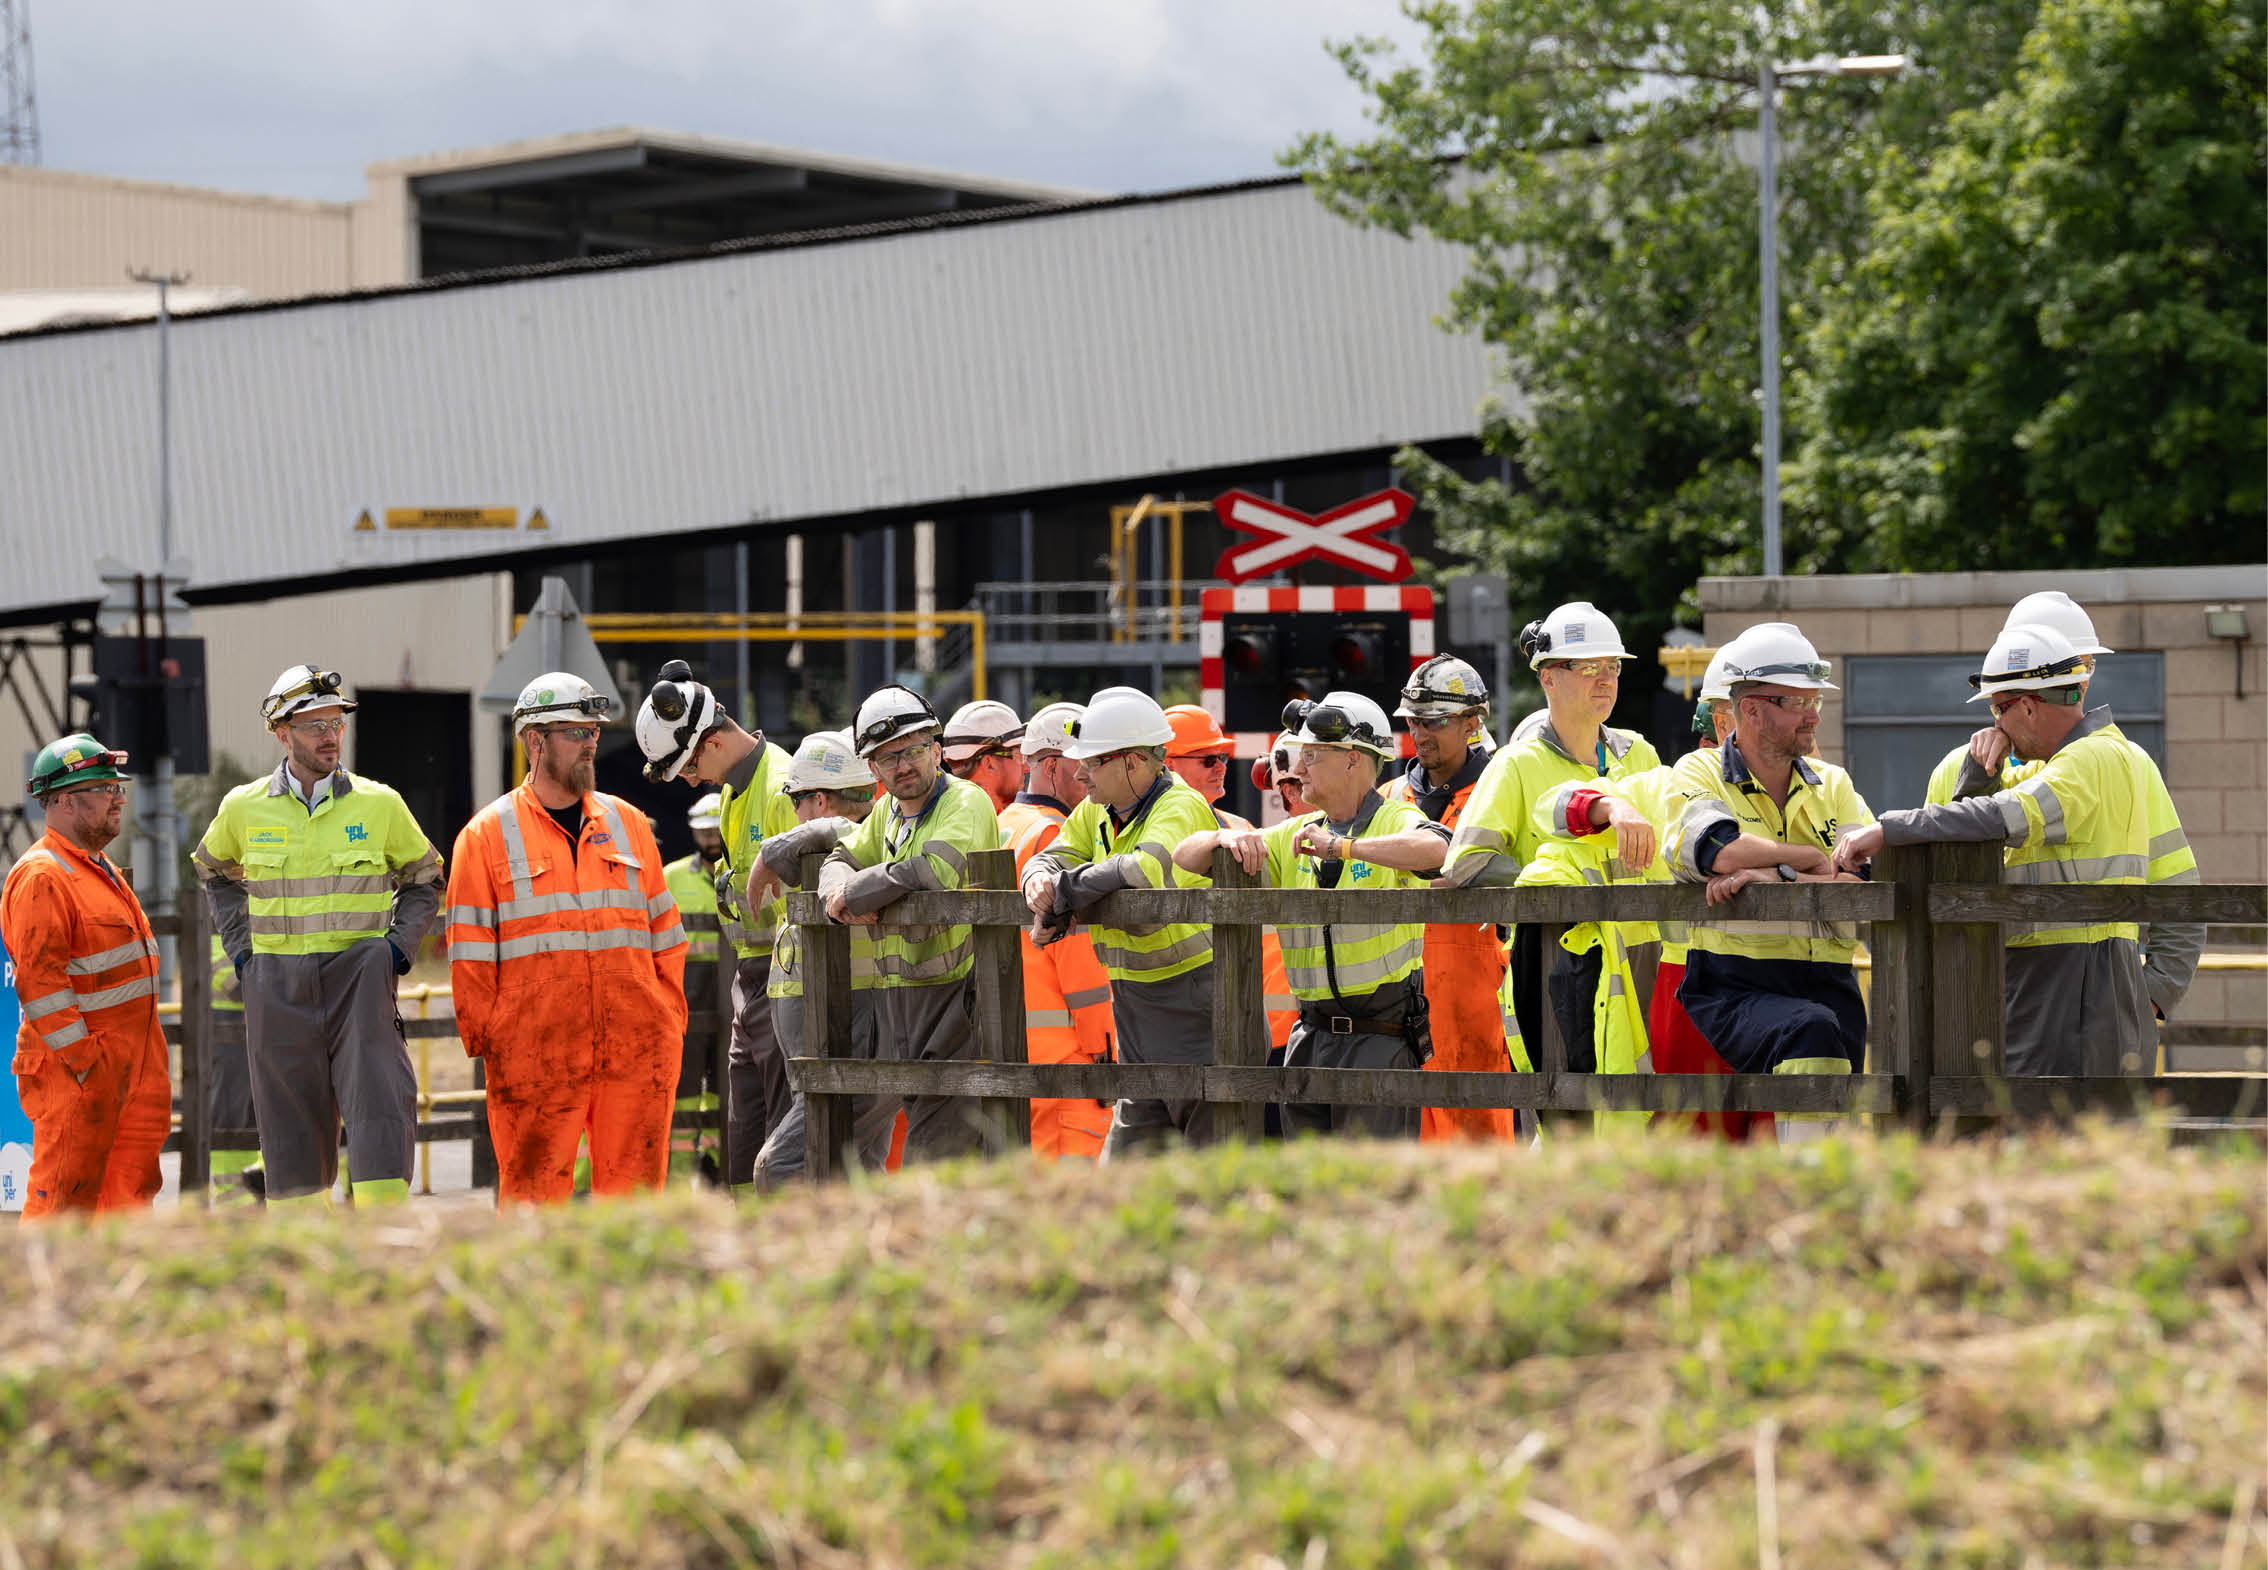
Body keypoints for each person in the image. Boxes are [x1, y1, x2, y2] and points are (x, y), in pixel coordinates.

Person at [1836, 622, 2159, 1078]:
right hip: (2070, 972)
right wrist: (1979, 767)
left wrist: (1888, 829)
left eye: (1998, 709)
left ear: (2027, 705)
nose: (1995, 724)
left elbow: (1996, 817)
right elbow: (1970, 821)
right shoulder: (2084, 757)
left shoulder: (2091, 758)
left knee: (2048, 1125)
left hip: (2074, 975)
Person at [194, 665, 444, 1206]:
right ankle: (308, 1268)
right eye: (315, 725)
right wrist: (244, 954)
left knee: (381, 1119)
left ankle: (388, 1256)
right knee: (290, 1148)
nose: (330, 735)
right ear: (282, 734)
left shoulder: (380, 805)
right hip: (277, 990)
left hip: (359, 983)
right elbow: (213, 872)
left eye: (336, 722)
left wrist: (395, 950)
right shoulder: (242, 807)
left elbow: (425, 877)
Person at [1921, 590, 2200, 1063]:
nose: (2083, 682)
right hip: (1986, 1001)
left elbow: (2180, 896)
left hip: (2094, 1001)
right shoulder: (1958, 766)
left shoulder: (2125, 764)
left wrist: (2143, 1000)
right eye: (2080, 666)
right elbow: (1933, 889)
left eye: (2085, 667)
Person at [443, 674, 687, 1203]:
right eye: (576, 733)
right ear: (535, 741)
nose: (591, 743)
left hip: (635, 1049)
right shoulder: (484, 838)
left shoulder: (629, 825)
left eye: (593, 733)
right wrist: (496, 1043)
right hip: (533, 1058)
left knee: (636, 1209)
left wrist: (667, 1020)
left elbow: (666, 936)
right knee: (532, 1205)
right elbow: (469, 955)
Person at [1176, 693, 1448, 1137]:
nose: (1297, 769)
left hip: (1379, 1040)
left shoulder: (1394, 818)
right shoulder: (1297, 833)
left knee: (1371, 1191)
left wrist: (1342, 848)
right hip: (1309, 1041)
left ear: (1354, 760)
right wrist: (1219, 840)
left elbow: (1439, 849)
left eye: (1312, 757)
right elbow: (1184, 859)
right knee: (1313, 1190)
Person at [1663, 624, 1872, 1142]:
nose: (1814, 714)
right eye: (1798, 702)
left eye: (1814, 700)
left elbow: (1859, 879)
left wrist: (1771, 872)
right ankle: (1804, 1201)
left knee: (1835, 1114)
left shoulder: (1836, 784)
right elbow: (1718, 850)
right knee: (1811, 1034)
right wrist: (1808, 860)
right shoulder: (1699, 770)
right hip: (1733, 983)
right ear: (1751, 710)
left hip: (1832, 980)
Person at [1441, 602, 1662, 1076]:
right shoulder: (1517, 764)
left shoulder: (1639, 753)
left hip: (1644, 950)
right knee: (1566, 1106)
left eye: (1613, 667)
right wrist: (1550, 884)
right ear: (1548, 678)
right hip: (1558, 958)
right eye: (1588, 668)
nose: (1605, 680)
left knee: (1643, 1106)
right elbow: (1467, 862)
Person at [1023, 686, 1220, 1158]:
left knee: (1209, 1162)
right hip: (1135, 1003)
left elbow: (1143, 870)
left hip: (1198, 1007)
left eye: (1092, 762)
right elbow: (1051, 859)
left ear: (1132, 762)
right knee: (1131, 1165)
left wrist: (1065, 893)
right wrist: (1039, 882)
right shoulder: (1097, 809)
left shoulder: (1182, 805)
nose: (1079, 772)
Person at [818, 685, 1005, 1162]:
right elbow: (841, 856)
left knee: (938, 1154)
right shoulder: (886, 812)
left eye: (913, 750)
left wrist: (856, 891)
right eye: (885, 758)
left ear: (937, 749)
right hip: (900, 1003)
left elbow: (932, 870)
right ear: (873, 769)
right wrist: (834, 893)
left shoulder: (966, 801)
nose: (902, 766)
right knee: (929, 1147)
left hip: (958, 1000)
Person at [634, 658, 798, 1195]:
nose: (686, 779)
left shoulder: (780, 787)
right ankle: (752, 1241)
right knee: (744, 1138)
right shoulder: (732, 792)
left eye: (685, 765)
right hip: (750, 989)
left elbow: (803, 906)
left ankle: (778, 1244)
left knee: (778, 1140)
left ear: (711, 740)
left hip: (785, 985)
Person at [2, 735, 169, 1217]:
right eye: (105, 789)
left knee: (128, 1206)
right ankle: (45, 1294)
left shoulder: (98, 870)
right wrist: (87, 1064)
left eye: (118, 788)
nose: (119, 798)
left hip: (129, 1074)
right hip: (79, 1078)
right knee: (63, 1207)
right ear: (66, 802)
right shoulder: (43, 877)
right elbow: (41, 986)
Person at [747, 730, 903, 1185]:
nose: (794, 814)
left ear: (819, 800)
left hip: (853, 1039)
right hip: (836, 1041)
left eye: (797, 802)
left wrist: (779, 846)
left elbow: (855, 827)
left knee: (779, 1169)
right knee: (856, 1173)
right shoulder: (833, 850)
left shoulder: (862, 843)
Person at [1382, 655, 1519, 1142]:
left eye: (1436, 721)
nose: (1421, 732)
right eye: (1415, 721)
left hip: (1478, 996)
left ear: (1471, 722)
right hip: (1396, 1004)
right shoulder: (1391, 797)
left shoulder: (1501, 792)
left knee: (1482, 1148)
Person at [999, 702, 1115, 1161]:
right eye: (1082, 761)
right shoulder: (1056, 838)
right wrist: (1105, 1047)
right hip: (1065, 1056)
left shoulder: (1003, 825)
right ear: (1051, 767)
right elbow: (1080, 960)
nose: (1090, 773)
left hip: (1009, 1048)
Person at [1165, 703, 1298, 1057]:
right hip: (1205, 1022)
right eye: (1207, 759)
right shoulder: (1158, 836)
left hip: (1273, 1024)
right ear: (1168, 764)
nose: (1221, 766)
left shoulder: (1242, 828)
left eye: (1222, 756)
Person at [660, 791, 728, 1182]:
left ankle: (720, 1166)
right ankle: (681, 1171)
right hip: (684, 998)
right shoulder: (671, 879)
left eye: (716, 831)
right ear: (693, 833)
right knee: (682, 1091)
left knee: (727, 1090)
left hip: (732, 998)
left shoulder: (751, 874)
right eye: (704, 832)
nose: (712, 840)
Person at [941, 700, 1027, 813]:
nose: (1026, 768)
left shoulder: (952, 817)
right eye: (1018, 756)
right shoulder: (970, 826)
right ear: (990, 764)